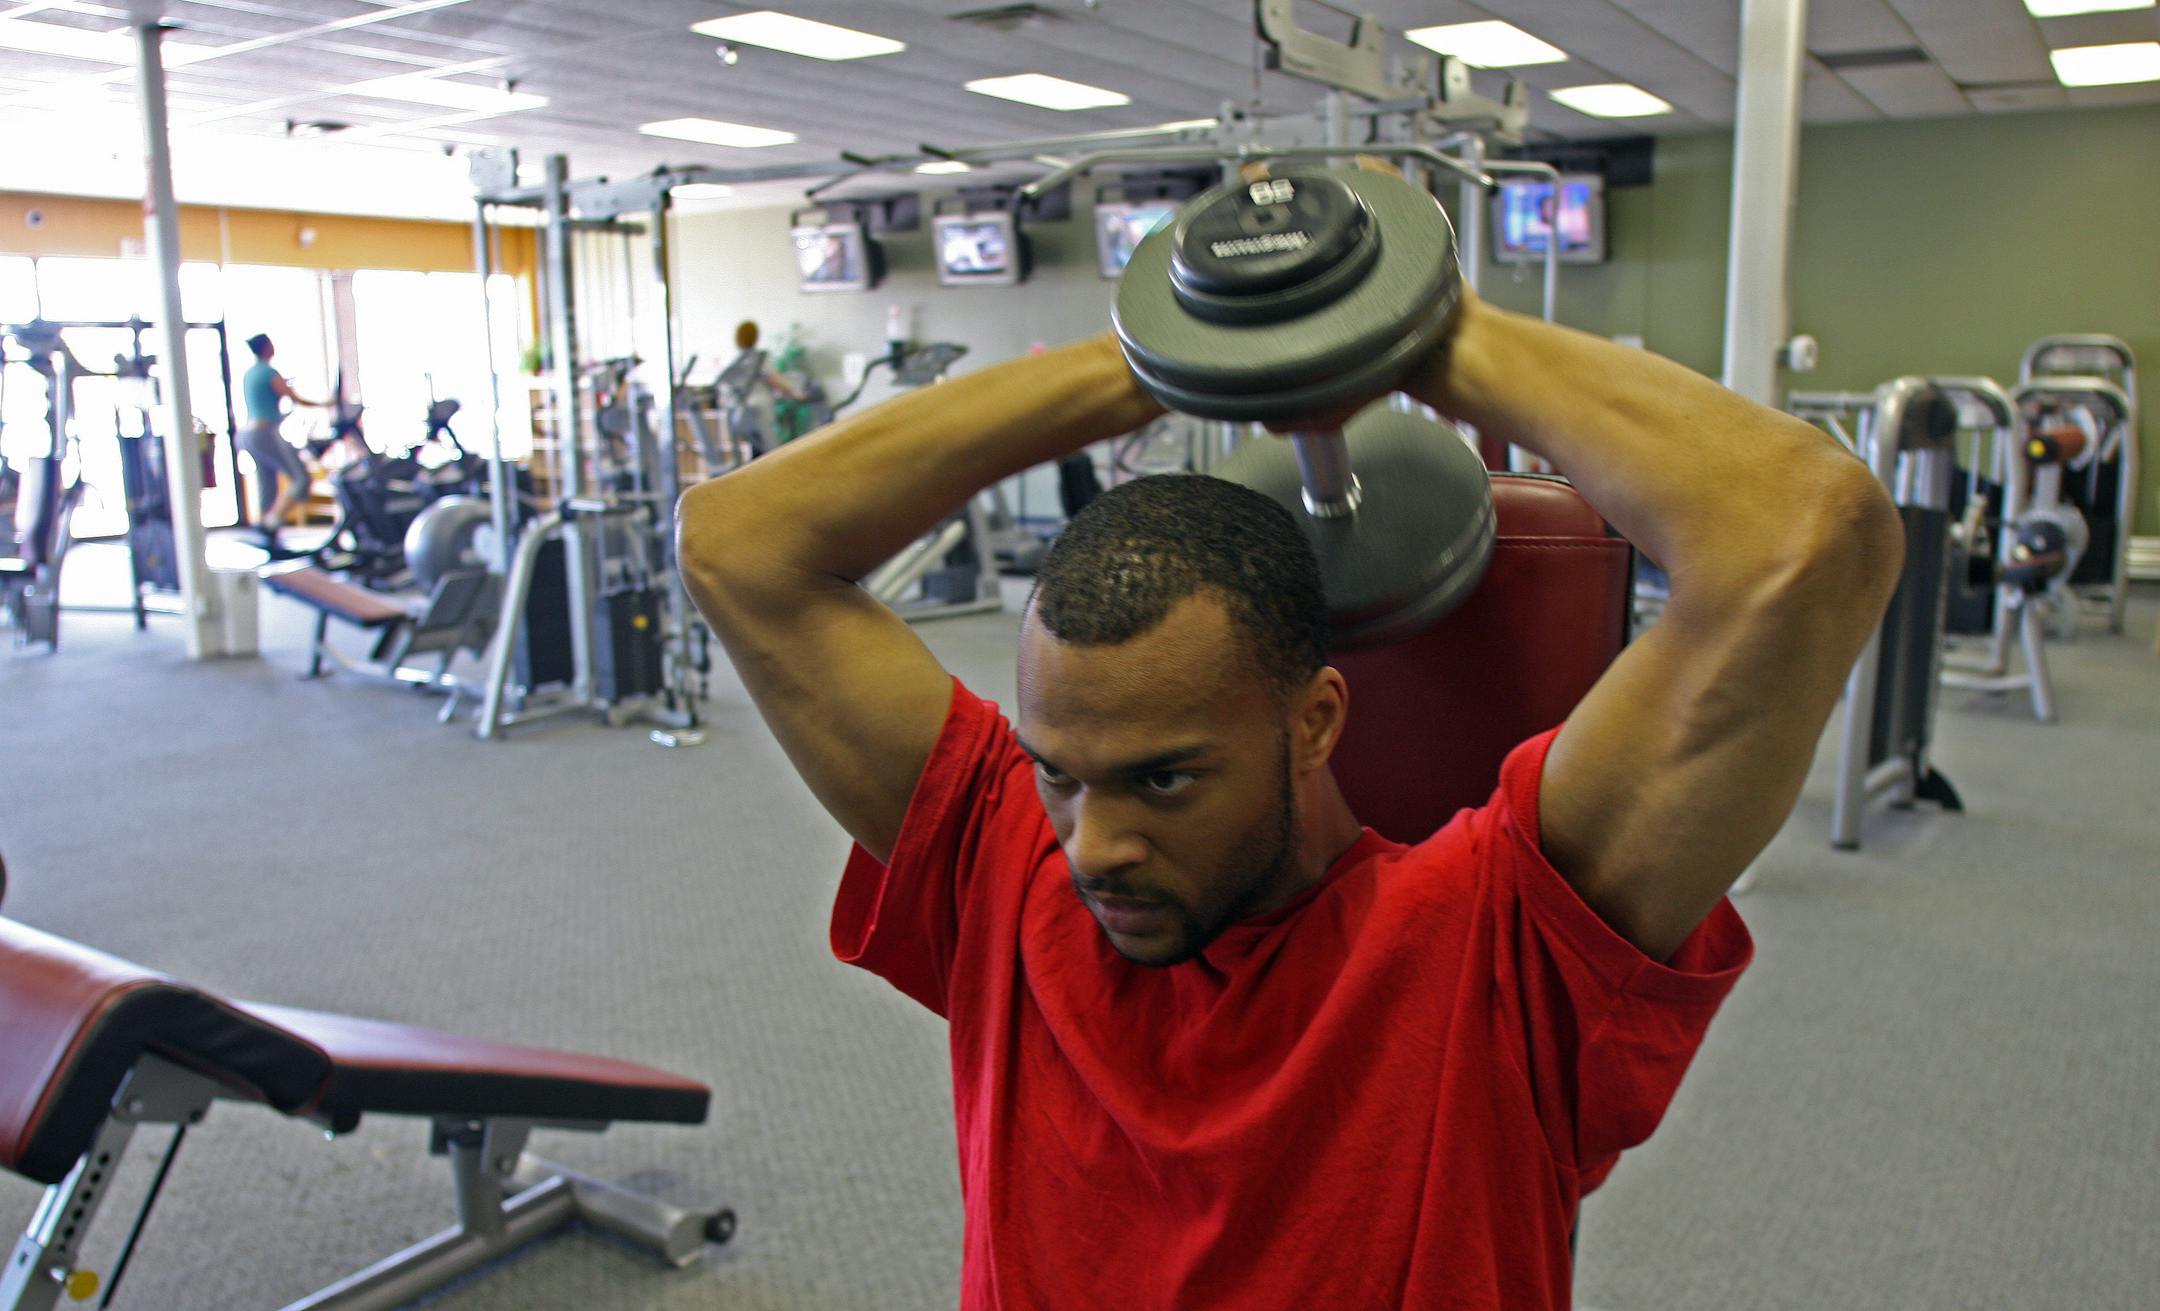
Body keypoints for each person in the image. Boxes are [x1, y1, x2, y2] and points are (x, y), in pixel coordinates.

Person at [678, 280, 1903, 1305]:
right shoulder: (1009, 866)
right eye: (1062, 774)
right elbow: (737, 538)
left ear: (1314, 722)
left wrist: (1411, 331)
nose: (1095, 847)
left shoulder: (1493, 949)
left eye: (1164, 778)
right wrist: (1156, 355)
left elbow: (1809, 534)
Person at [237, 333, 329, 548]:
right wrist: (328, 403)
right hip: (264, 432)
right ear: (266, 347)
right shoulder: (269, 372)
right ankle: (272, 522)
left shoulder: (250, 374)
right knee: (301, 478)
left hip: (247, 434)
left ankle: (265, 527)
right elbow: (294, 398)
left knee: (266, 483)